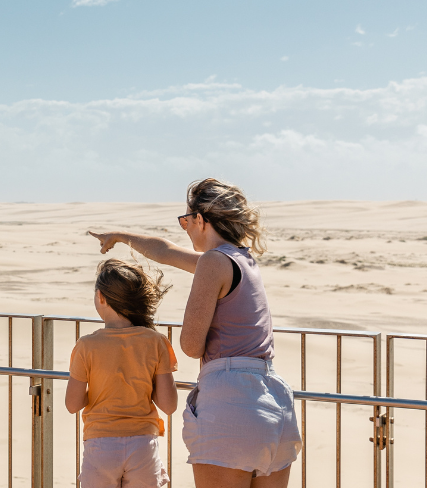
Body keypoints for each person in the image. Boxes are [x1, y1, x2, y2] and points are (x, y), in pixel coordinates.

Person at [87, 178, 300, 488]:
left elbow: (190, 344)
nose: (184, 228)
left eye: (185, 220)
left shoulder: (213, 262)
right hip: (275, 405)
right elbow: (166, 251)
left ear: (201, 219)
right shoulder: (242, 260)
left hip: (233, 405)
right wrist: (120, 236)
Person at [65, 259, 179, 488]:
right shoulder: (156, 342)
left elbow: (72, 404)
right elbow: (169, 405)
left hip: (100, 444)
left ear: (101, 298)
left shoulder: (87, 345)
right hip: (143, 444)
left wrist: (99, 389)